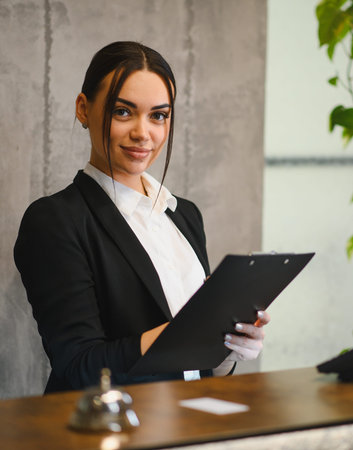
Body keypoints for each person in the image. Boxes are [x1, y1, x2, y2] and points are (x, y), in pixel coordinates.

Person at [14, 41, 270, 393]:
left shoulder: (184, 215)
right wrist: (187, 331)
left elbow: (194, 367)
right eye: (123, 111)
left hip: (192, 425)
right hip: (107, 432)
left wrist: (227, 348)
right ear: (83, 109)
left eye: (158, 116)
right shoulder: (55, 221)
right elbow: (78, 365)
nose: (143, 133)